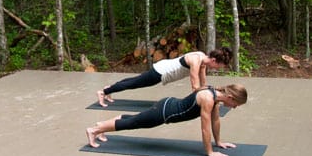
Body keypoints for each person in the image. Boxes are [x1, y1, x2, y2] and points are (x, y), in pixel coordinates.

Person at [85, 83, 247, 156]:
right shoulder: (208, 99)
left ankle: (102, 126)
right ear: (230, 98)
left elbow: (215, 121)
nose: (235, 107)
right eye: (236, 104)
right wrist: (210, 152)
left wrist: (219, 141)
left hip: (167, 104)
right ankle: (94, 130)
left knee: (134, 120)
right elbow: (205, 128)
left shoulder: (215, 95)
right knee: (133, 123)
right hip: (163, 113)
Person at [96, 47, 233, 107]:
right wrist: (209, 98)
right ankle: (103, 92)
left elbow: (203, 83)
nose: (218, 69)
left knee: (134, 81)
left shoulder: (203, 59)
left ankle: (110, 89)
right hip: (159, 72)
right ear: (214, 60)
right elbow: (196, 87)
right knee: (134, 83)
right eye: (219, 66)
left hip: (162, 68)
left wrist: (213, 96)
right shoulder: (195, 61)